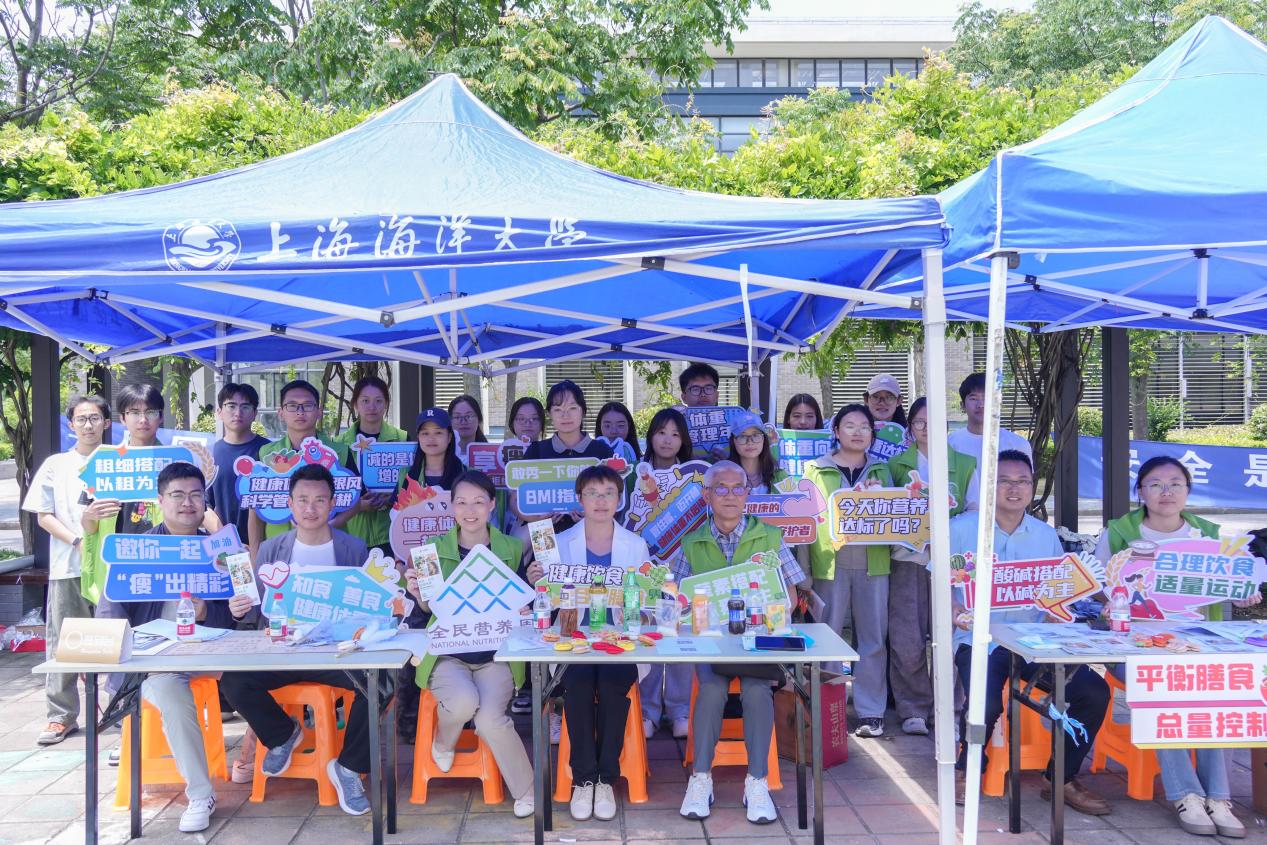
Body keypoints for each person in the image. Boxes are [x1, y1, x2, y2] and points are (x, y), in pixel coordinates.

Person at [1094, 456, 1253, 838]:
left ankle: (1218, 798)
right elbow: (1098, 585)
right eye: (1155, 484)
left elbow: (1233, 584)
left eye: (1175, 484)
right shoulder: (1118, 533)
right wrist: (1110, 600)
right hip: (1136, 645)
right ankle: (1186, 795)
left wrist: (1243, 594)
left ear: (1187, 491)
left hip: (1198, 645)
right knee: (1164, 686)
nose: (1166, 492)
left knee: (1220, 690)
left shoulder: (1210, 536)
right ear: (1140, 491)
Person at [950, 450, 1110, 816]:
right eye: (1004, 481)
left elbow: (1056, 592)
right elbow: (943, 587)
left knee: (1092, 691)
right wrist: (955, 612)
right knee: (985, 701)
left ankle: (1060, 777)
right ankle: (967, 768)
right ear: (988, 486)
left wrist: (1059, 614)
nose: (1014, 489)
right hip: (978, 640)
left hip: (1032, 641)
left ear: (1032, 487)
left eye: (1022, 481)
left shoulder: (1044, 535)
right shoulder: (960, 530)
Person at [220, 464, 374, 817]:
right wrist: (238, 608)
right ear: (289, 504)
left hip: (336, 654)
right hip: (284, 652)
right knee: (234, 681)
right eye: (302, 500)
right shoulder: (272, 549)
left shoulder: (353, 549)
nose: (311, 508)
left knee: (378, 683)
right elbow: (255, 608)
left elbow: (368, 604)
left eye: (320, 500)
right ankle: (282, 734)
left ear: (333, 503)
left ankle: (349, 767)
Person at [97, 462, 235, 832]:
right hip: (157, 660)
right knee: (171, 691)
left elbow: (240, 615)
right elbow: (109, 611)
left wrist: (209, 612)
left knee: (261, 677)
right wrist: (125, 657)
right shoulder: (136, 550)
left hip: (213, 653)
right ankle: (201, 794)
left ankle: (275, 746)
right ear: (160, 501)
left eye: (195, 495)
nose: (188, 503)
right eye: (178, 495)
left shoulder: (220, 551)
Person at [672, 461, 809, 826]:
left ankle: (757, 781)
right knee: (711, 690)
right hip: (712, 644)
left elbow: (790, 596)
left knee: (756, 690)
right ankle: (701, 778)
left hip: (757, 642)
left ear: (748, 494)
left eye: (738, 488)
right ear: (707, 495)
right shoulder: (691, 543)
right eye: (721, 488)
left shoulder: (770, 537)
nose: (730, 495)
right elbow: (677, 603)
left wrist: (765, 614)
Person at [406, 470, 535, 819]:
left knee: (490, 718)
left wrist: (528, 602)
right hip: (448, 656)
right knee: (464, 702)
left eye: (479, 501)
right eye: (461, 502)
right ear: (451, 507)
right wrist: (418, 594)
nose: (470, 510)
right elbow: (428, 610)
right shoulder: (431, 552)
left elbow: (522, 602)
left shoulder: (511, 548)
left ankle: (527, 790)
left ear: (492, 505)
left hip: (496, 655)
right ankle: (443, 740)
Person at [555, 465, 647, 823]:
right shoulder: (560, 543)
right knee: (577, 686)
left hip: (619, 640)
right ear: (579, 499)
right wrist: (539, 581)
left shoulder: (635, 545)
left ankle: (605, 779)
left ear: (620, 500)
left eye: (609, 493)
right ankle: (583, 780)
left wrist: (642, 601)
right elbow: (546, 601)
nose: (601, 501)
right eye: (592, 493)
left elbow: (646, 602)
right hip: (574, 638)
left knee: (611, 686)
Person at [885, 397, 979, 736]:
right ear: (910, 428)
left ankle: (950, 707)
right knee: (906, 637)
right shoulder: (895, 465)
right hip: (908, 559)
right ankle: (913, 707)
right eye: (920, 422)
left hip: (953, 565)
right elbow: (884, 510)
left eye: (934, 422)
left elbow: (974, 511)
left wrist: (942, 529)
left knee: (952, 634)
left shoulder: (965, 464)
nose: (927, 429)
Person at [22, 394, 109, 746]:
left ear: (106, 422)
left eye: (95, 418)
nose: (89, 425)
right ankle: (61, 716)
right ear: (71, 424)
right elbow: (44, 515)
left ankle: (121, 709)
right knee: (64, 641)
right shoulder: (56, 465)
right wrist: (76, 541)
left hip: (111, 568)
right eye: (82, 419)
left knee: (120, 638)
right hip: (68, 567)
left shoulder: (120, 461)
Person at [805, 403, 893, 736]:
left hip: (874, 563)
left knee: (873, 638)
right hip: (829, 563)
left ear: (872, 434)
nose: (857, 432)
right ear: (836, 431)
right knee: (827, 636)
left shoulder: (883, 471)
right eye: (850, 426)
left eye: (864, 427)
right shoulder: (815, 470)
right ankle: (830, 709)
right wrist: (804, 570)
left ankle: (871, 711)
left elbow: (898, 515)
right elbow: (805, 523)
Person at [635, 407, 694, 739]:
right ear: (650, 436)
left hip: (684, 566)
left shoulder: (694, 478)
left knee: (682, 636)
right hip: (645, 568)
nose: (668, 440)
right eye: (661, 432)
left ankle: (680, 709)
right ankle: (648, 710)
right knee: (649, 634)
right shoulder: (635, 476)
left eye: (675, 434)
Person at [249, 379, 351, 547]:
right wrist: (255, 554)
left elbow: (355, 500)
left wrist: (330, 524)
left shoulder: (339, 452)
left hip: (330, 545)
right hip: (279, 548)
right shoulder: (265, 454)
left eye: (307, 405)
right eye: (292, 405)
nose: (300, 412)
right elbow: (255, 509)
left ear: (319, 412)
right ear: (281, 412)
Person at [520, 380, 613, 535]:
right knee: (544, 553)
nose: (565, 415)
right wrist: (537, 520)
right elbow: (515, 499)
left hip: (591, 533)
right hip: (544, 534)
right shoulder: (536, 451)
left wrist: (596, 515)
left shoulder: (602, 452)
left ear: (583, 411)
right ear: (549, 414)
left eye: (572, 408)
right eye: (558, 409)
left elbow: (616, 497)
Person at [336, 376, 408, 554]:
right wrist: (358, 505)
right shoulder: (339, 444)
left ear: (386, 404)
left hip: (393, 532)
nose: (372, 407)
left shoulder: (403, 439)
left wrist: (392, 498)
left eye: (378, 401)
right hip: (352, 534)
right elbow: (334, 489)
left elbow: (413, 483)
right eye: (365, 401)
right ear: (355, 404)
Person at [206, 383, 271, 553]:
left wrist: (255, 546)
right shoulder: (210, 454)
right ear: (219, 412)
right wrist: (231, 542)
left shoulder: (269, 452)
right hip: (224, 548)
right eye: (231, 406)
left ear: (255, 413)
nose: (238, 413)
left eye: (245, 407)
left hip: (266, 547)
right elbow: (204, 505)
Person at [946, 373, 1032, 464]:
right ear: (962, 405)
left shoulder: (1018, 445)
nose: (981, 405)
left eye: (986, 398)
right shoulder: (950, 443)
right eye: (973, 398)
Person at [399, 408, 465, 495]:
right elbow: (396, 503)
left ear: (449, 437)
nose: (431, 439)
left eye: (438, 433)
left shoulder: (467, 473)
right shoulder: (405, 474)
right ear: (418, 437)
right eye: (425, 433)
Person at [725, 410, 787, 494]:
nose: (750, 442)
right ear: (733, 441)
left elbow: (793, 501)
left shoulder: (779, 475)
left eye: (755, 435)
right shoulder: (723, 476)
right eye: (742, 436)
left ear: (764, 439)